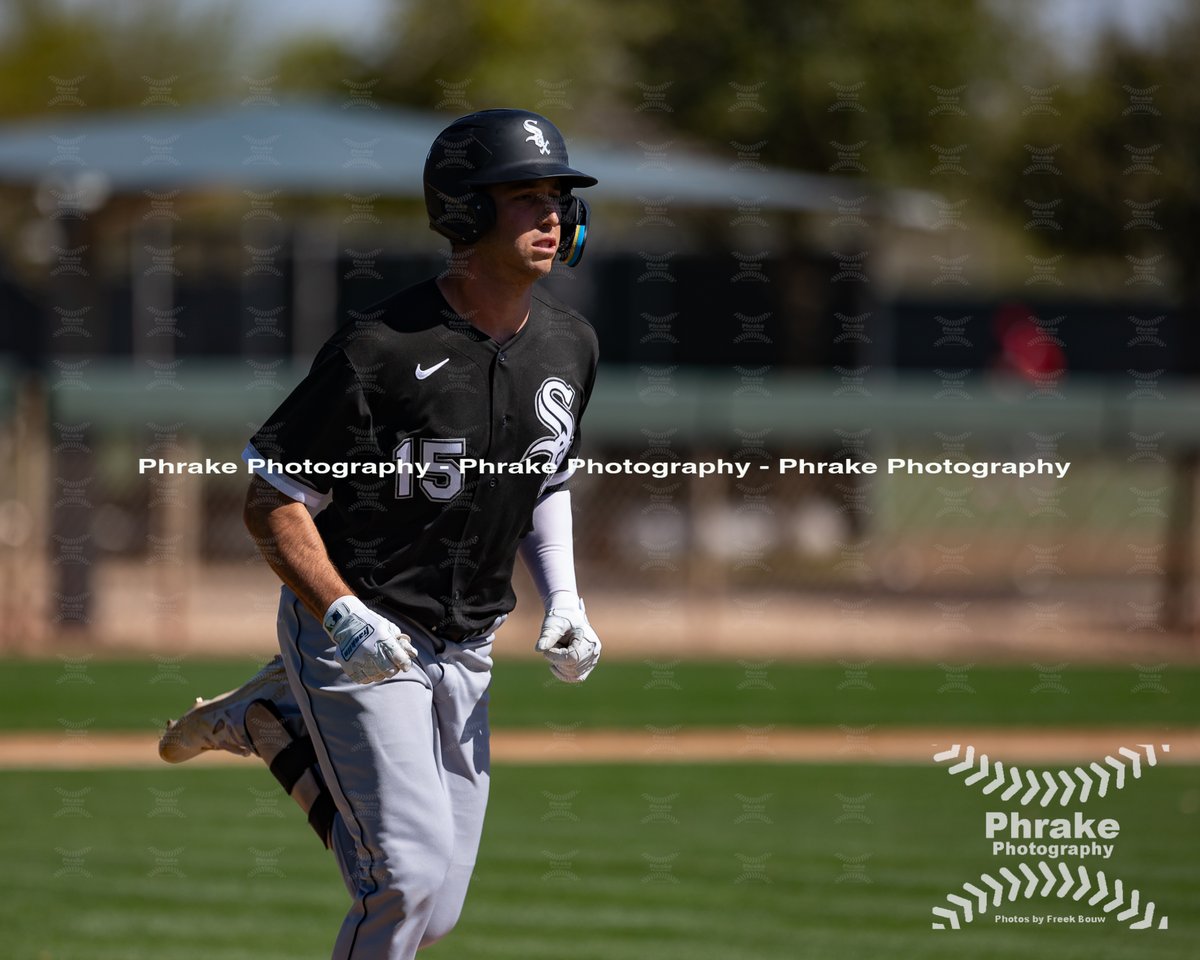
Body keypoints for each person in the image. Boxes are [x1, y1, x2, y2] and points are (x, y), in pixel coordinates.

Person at [157, 108, 602, 959]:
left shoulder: (570, 344)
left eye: (559, 197)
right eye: (525, 197)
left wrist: (568, 599)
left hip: (468, 640)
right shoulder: (383, 347)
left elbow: (543, 473)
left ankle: (268, 723)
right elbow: (273, 500)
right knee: (403, 885)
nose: (553, 216)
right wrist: (339, 615)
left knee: (437, 910)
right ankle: (285, 702)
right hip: (356, 625)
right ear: (466, 213)